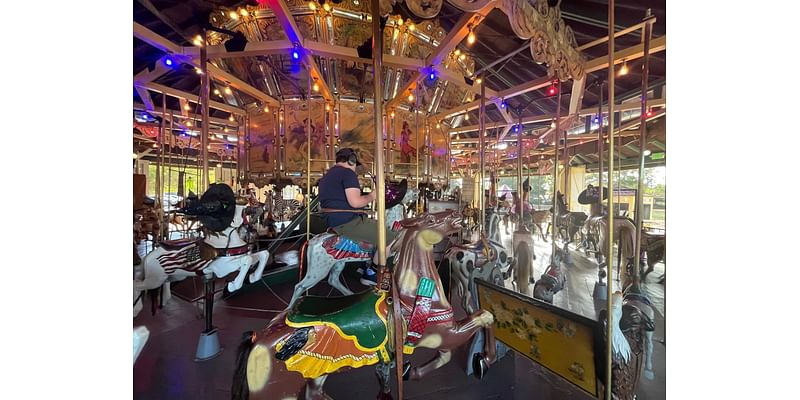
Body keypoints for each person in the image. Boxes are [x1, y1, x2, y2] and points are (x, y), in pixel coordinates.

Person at [318, 148, 398, 285]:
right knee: (389, 237)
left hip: (334, 220)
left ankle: (364, 264)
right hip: (347, 222)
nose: (355, 168)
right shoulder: (348, 174)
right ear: (351, 160)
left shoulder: (328, 175)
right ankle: (371, 273)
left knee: (373, 227)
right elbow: (355, 202)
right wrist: (373, 195)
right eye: (355, 164)